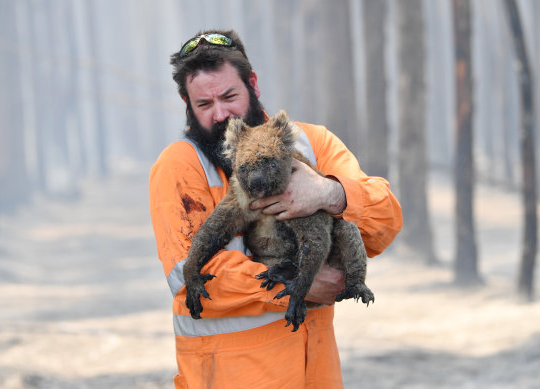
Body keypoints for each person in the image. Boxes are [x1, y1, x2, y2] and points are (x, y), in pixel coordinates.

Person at [149, 29, 402, 389]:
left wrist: (330, 193)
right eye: (204, 105)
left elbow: (386, 220)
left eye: (229, 96)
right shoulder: (180, 165)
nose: (221, 114)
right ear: (187, 103)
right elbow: (187, 271)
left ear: (252, 83)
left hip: (317, 375)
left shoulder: (311, 143)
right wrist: (298, 284)